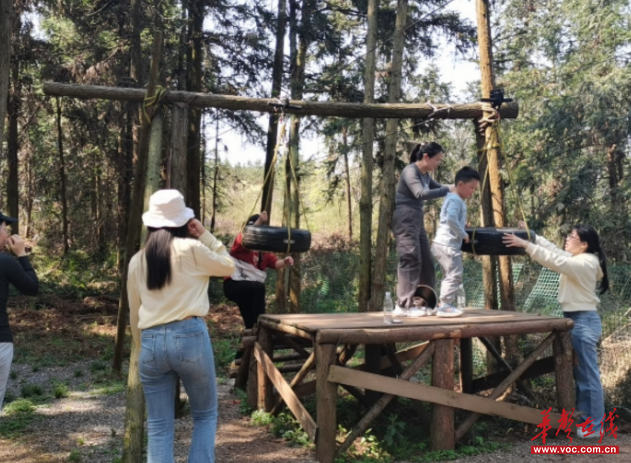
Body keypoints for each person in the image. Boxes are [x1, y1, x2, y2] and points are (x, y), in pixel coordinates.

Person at [127, 189, 235, 462]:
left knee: (159, 426)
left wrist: (143, 345)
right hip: (189, 336)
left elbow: (134, 312)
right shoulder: (192, 249)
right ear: (183, 221)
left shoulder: (137, 260)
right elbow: (228, 267)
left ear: (151, 223)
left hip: (150, 341)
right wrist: (205, 235)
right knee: (205, 415)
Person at [503, 223, 608, 439]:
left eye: (572, 236)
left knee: (588, 377)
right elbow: (555, 252)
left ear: (584, 244)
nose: (567, 239)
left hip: (583, 321)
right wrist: (534, 237)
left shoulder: (586, 262)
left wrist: (526, 245)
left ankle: (594, 426)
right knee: (582, 375)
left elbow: (555, 260)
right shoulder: (580, 259)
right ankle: (587, 422)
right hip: (576, 319)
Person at [223, 212, 293, 371]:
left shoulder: (263, 253)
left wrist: (286, 261)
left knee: (250, 326)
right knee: (258, 287)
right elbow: (246, 236)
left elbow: (275, 264)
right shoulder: (241, 245)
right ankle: (262, 323)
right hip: (234, 285)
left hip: (249, 292)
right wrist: (260, 220)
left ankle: (239, 362)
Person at [392, 142, 455, 317]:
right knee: (410, 258)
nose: (438, 163)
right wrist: (447, 189)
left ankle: (423, 302)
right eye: (437, 160)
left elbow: (439, 187)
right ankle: (403, 305)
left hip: (416, 219)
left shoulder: (425, 175)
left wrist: (458, 187)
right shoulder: (410, 171)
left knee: (426, 261)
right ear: (426, 157)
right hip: (405, 217)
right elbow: (420, 193)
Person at [0, 212, 39, 411]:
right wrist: (22, 255)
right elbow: (32, 287)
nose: (7, 234)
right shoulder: (5, 261)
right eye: (5, 228)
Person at [431, 166, 480, 318]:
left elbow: (451, 218)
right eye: (471, 187)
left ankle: (442, 304)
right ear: (460, 184)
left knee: (449, 275)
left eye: (475, 188)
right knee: (455, 274)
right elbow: (450, 218)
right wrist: (462, 233)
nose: (473, 191)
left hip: (441, 243)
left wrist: (462, 224)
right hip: (448, 245)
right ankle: (445, 305)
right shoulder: (455, 199)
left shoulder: (452, 198)